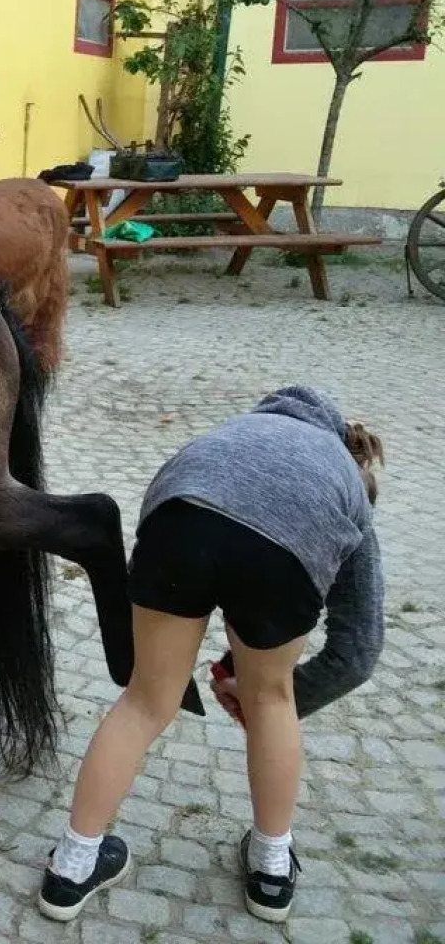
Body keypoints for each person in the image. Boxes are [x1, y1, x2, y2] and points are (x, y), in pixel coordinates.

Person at [37, 386, 385, 926]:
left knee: (145, 702)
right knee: (275, 699)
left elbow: (160, 503)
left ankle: (71, 867)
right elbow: (358, 651)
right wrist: (255, 696)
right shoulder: (345, 482)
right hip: (284, 551)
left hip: (180, 520)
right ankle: (271, 871)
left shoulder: (231, 434)